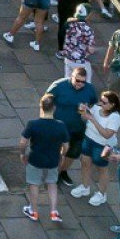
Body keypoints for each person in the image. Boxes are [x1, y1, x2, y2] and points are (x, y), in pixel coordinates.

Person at [20, 92, 70, 225]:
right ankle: (54, 211)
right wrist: (62, 155)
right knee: (52, 183)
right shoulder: (60, 125)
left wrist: (22, 154)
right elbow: (66, 146)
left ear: (41, 106)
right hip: (53, 159)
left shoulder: (33, 124)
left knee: (34, 184)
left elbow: (23, 142)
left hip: (35, 159)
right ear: (54, 108)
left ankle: (34, 211)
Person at [45, 66, 98, 186]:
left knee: (73, 152)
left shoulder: (89, 89)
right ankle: (53, 174)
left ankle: (62, 172)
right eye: (77, 81)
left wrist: (87, 110)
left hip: (78, 128)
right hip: (59, 127)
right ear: (71, 77)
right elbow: (46, 101)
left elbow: (94, 104)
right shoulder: (59, 86)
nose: (80, 84)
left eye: (83, 82)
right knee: (57, 152)